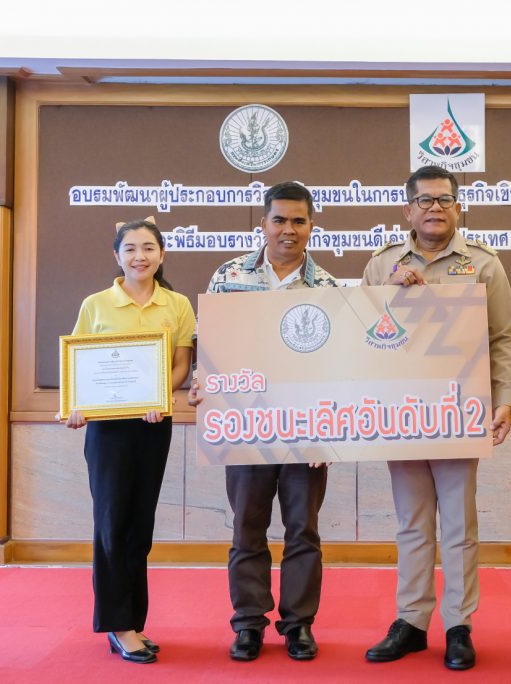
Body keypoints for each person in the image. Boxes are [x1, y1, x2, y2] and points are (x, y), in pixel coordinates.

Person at [361, 165, 511, 671]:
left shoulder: (483, 264)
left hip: (459, 412)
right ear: (408, 210)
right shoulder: (381, 264)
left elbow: (503, 338)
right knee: (411, 524)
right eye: (425, 200)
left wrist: (505, 400)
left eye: (444, 200)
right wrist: (386, 295)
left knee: (458, 526)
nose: (435, 208)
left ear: (458, 207)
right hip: (403, 415)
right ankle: (410, 621)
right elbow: (360, 334)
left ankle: (458, 625)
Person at [187, 181, 339, 662]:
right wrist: (202, 383)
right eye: (279, 220)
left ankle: (298, 624)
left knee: (303, 530)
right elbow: (207, 346)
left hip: (305, 431)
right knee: (247, 529)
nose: (287, 229)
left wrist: (327, 432)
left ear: (311, 226)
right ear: (263, 224)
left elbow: (337, 367)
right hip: (243, 426)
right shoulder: (229, 275)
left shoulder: (328, 287)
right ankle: (248, 623)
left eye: (298, 221)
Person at [64, 218, 195, 664]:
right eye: (131, 248)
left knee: (139, 527)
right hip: (108, 430)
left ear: (162, 255)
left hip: (153, 424)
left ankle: (132, 622)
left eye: (149, 248)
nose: (140, 256)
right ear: (117, 256)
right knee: (112, 525)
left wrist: (160, 394)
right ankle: (118, 625)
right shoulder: (96, 304)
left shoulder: (177, 304)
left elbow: (181, 365)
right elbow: (79, 365)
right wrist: (78, 405)